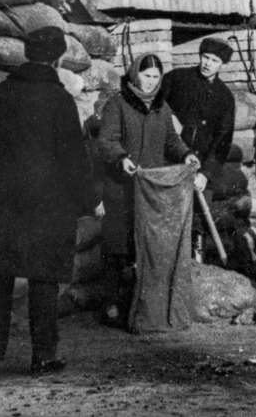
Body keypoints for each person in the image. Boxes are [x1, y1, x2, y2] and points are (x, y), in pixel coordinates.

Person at [0, 26, 101, 377]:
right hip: (46, 202)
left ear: (27, 54)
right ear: (57, 59)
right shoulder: (59, 100)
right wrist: (90, 201)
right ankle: (42, 357)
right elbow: (74, 158)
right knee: (43, 282)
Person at [96, 53, 199, 328]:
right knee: (118, 247)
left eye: (156, 77)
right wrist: (121, 157)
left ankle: (142, 306)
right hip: (121, 187)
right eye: (146, 75)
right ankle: (112, 303)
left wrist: (186, 154)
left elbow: (171, 140)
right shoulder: (116, 105)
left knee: (148, 246)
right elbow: (106, 140)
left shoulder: (161, 108)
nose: (151, 82)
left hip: (150, 189)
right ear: (134, 74)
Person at [159, 37, 236, 259]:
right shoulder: (176, 79)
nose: (207, 64)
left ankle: (196, 260)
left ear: (222, 65)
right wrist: (169, 117)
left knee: (199, 220)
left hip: (200, 166)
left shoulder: (225, 97)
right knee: (167, 215)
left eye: (214, 60)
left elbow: (223, 139)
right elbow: (157, 106)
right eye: (205, 57)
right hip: (169, 160)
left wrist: (206, 174)